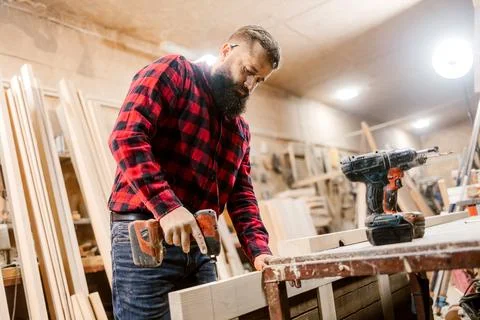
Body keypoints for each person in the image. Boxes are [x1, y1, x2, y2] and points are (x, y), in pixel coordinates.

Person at [108, 25, 281, 319]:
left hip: (201, 245)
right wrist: (167, 207)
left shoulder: (239, 130)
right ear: (227, 50)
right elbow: (127, 137)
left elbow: (242, 196)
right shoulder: (175, 72)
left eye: (259, 80)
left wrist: (259, 250)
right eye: (248, 71)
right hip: (148, 237)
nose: (249, 86)